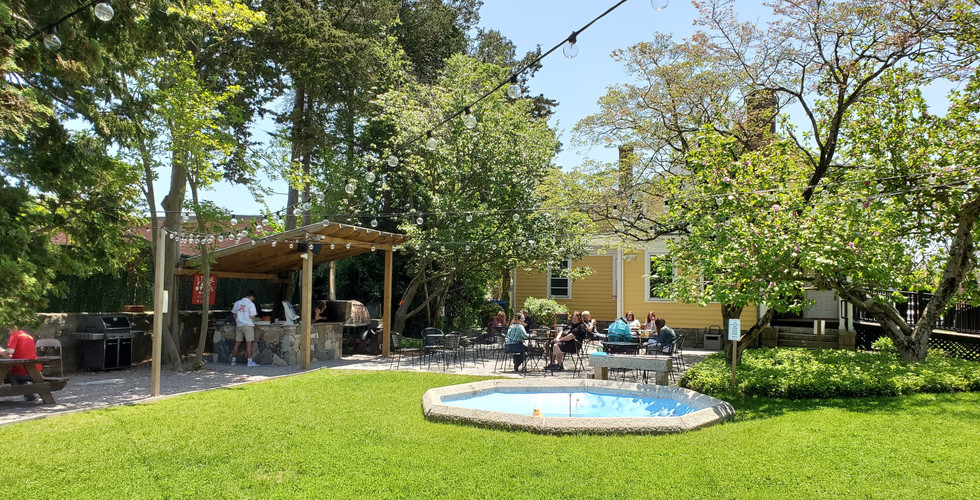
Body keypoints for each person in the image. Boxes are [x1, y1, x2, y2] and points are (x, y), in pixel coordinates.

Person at [1, 326, 41, 402]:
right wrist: (3, 352)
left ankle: (24, 390)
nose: (8, 331)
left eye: (9, 329)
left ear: (15, 327)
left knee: (6, 373)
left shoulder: (15, 335)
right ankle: (28, 393)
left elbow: (10, 352)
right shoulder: (28, 336)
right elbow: (19, 356)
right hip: (35, 369)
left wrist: (2, 351)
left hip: (21, 371)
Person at [231, 291, 260, 367]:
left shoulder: (237, 303)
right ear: (251, 297)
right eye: (253, 298)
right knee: (249, 343)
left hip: (239, 325)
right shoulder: (250, 304)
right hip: (248, 325)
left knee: (237, 343)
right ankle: (249, 362)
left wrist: (238, 321)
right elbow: (252, 316)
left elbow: (234, 314)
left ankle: (233, 360)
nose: (252, 299)